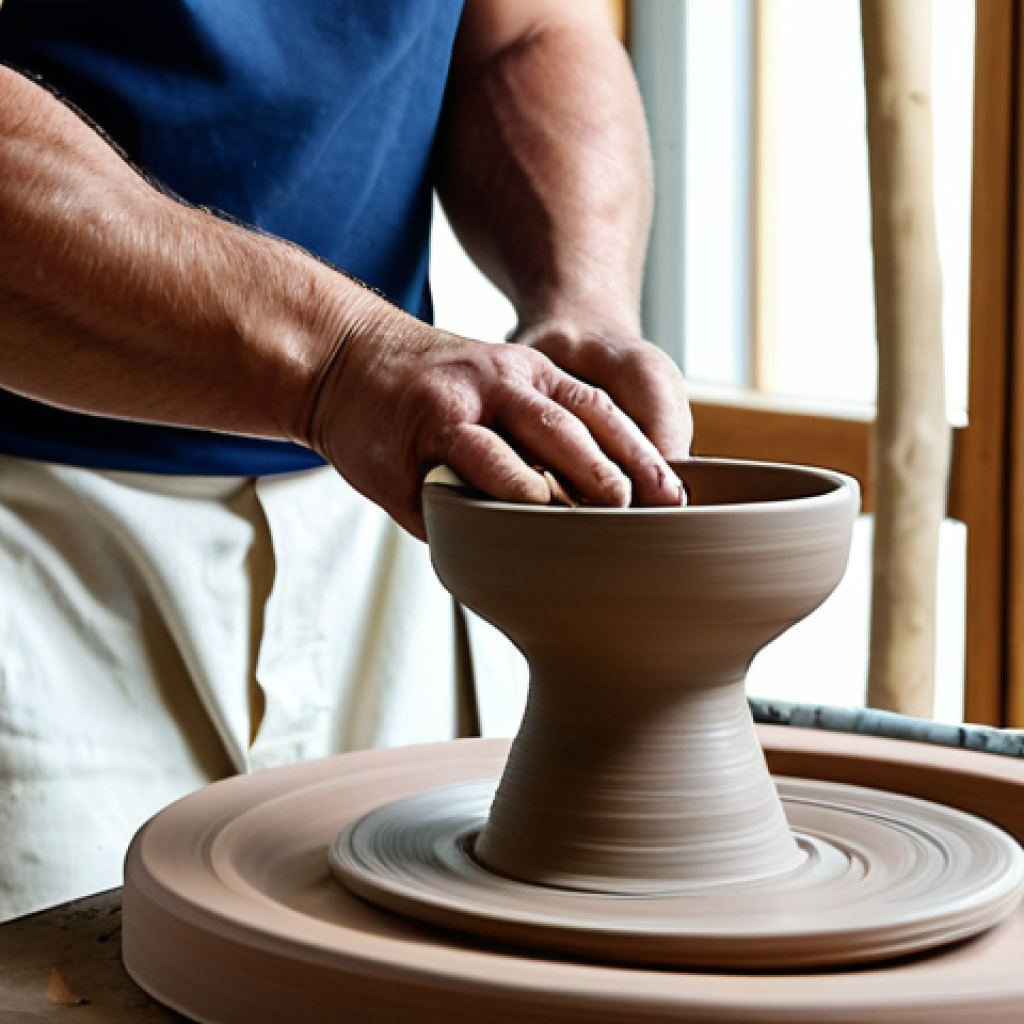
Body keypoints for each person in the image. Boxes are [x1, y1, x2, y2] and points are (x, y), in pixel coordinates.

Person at [0, 0, 691, 920]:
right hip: (33, 534)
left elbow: (523, 31)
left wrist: (583, 297)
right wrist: (338, 362)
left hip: (379, 514)